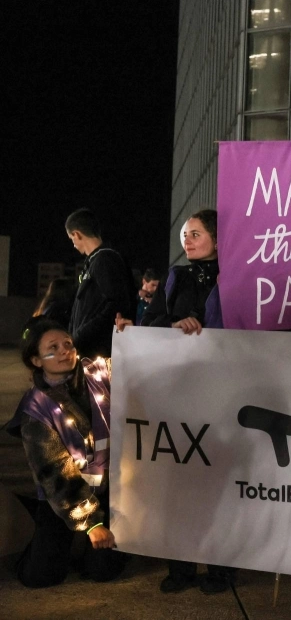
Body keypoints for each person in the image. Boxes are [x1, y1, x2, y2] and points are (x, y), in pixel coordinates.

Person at [125, 209, 230, 594]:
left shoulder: (239, 276)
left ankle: (222, 569)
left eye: (196, 233)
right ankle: (180, 568)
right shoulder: (176, 276)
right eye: (185, 234)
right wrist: (173, 326)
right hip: (180, 392)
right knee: (179, 479)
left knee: (219, 481)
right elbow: (150, 324)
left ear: (218, 239)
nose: (187, 240)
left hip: (223, 390)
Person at [5, 317, 126, 587]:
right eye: (53, 347)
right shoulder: (36, 409)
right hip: (63, 495)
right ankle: (44, 528)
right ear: (37, 360)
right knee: (40, 577)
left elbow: (141, 364)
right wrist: (91, 523)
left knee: (102, 571)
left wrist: (132, 335)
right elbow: (55, 472)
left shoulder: (99, 373)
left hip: (111, 489)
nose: (64, 351)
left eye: (67, 343)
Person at [65, 208, 135, 358]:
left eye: (71, 239)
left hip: (98, 353)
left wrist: (80, 335)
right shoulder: (94, 261)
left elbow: (116, 305)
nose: (73, 244)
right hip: (89, 350)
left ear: (77, 234)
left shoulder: (105, 260)